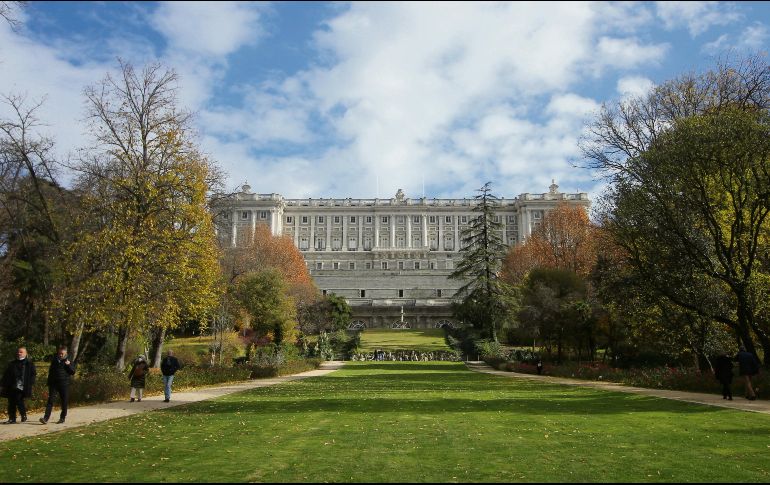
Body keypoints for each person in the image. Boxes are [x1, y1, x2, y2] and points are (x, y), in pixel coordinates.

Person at [40, 346, 76, 424]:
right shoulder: (54, 360)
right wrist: (49, 382)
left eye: (62, 353)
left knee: (64, 401)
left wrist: (68, 365)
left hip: (64, 384)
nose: (60, 355)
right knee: (50, 400)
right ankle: (45, 418)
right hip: (54, 384)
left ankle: (62, 418)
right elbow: (51, 372)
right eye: (59, 353)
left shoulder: (69, 360)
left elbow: (73, 372)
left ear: (66, 353)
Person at [1, 347, 37, 424]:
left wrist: (31, 383)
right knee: (11, 402)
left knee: (19, 400)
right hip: (11, 385)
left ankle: (23, 415)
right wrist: (2, 384)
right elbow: (6, 374)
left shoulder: (29, 363)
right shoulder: (12, 363)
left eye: (21, 352)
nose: (19, 353)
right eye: (18, 352)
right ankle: (12, 418)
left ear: (25, 353)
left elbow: (33, 374)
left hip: (22, 386)